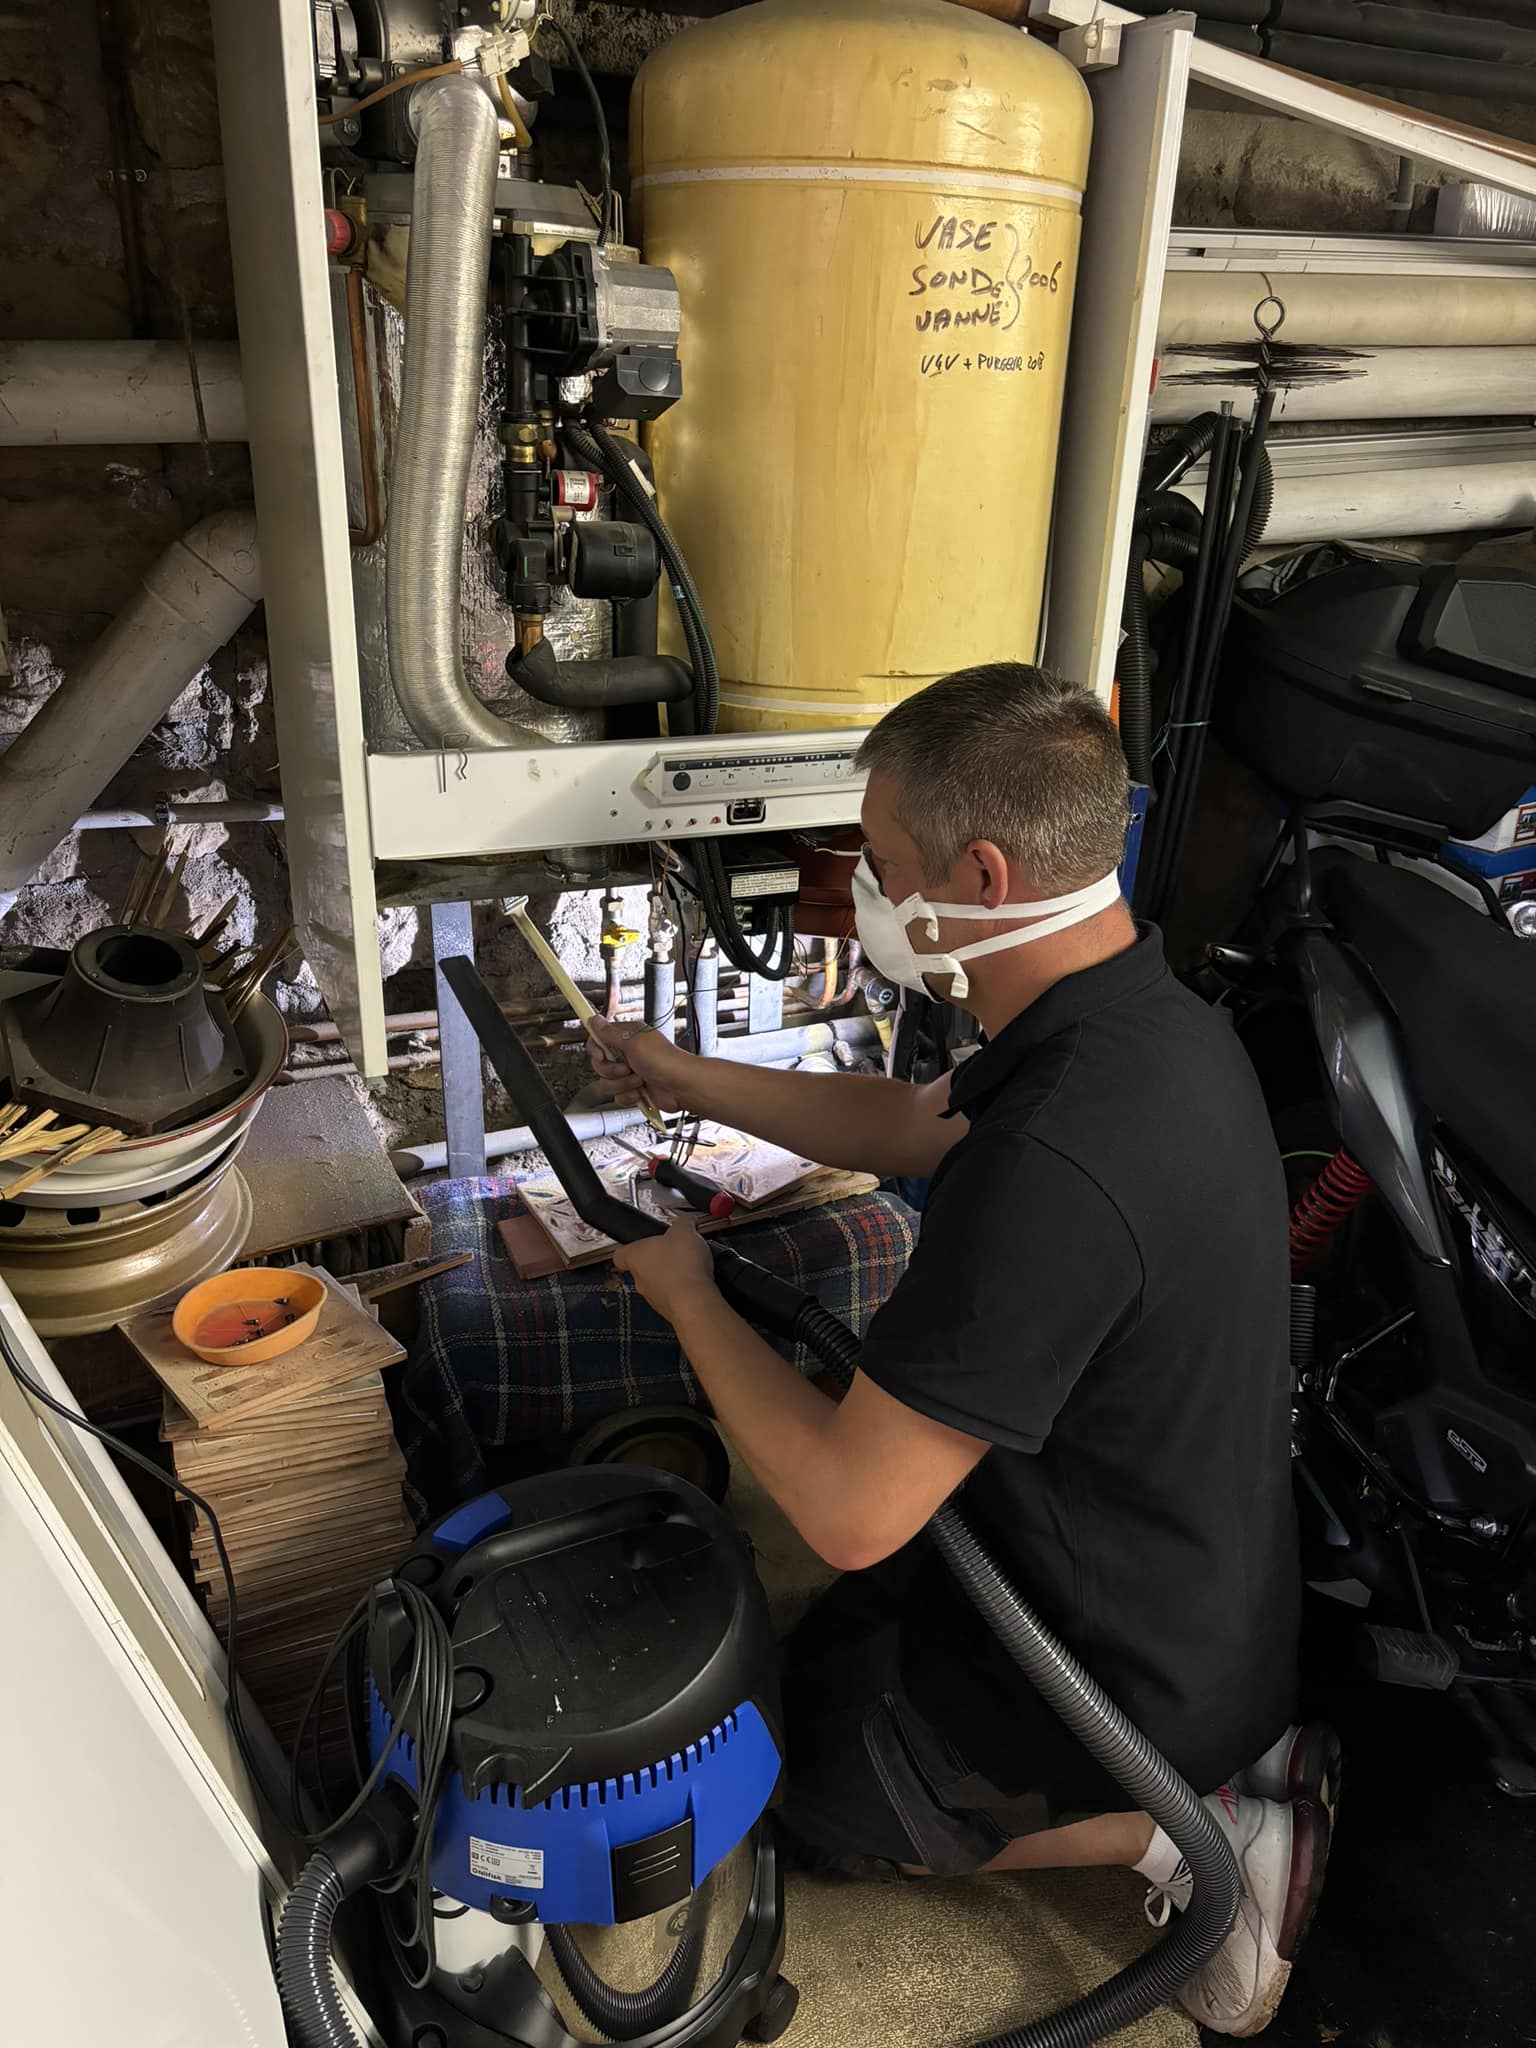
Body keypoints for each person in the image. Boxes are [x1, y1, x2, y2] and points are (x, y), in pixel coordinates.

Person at [586, 663, 1328, 2038]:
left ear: (980, 874)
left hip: (1129, 1667)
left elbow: (850, 1511)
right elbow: (911, 1126)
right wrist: (686, 1076)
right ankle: (1212, 1757)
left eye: (879, 864)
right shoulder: (1133, 1016)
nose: (864, 893)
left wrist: (686, 1292)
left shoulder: (1057, 1163)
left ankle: (1197, 1833)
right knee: (812, 1663)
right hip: (1178, 1565)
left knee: (805, 1791)